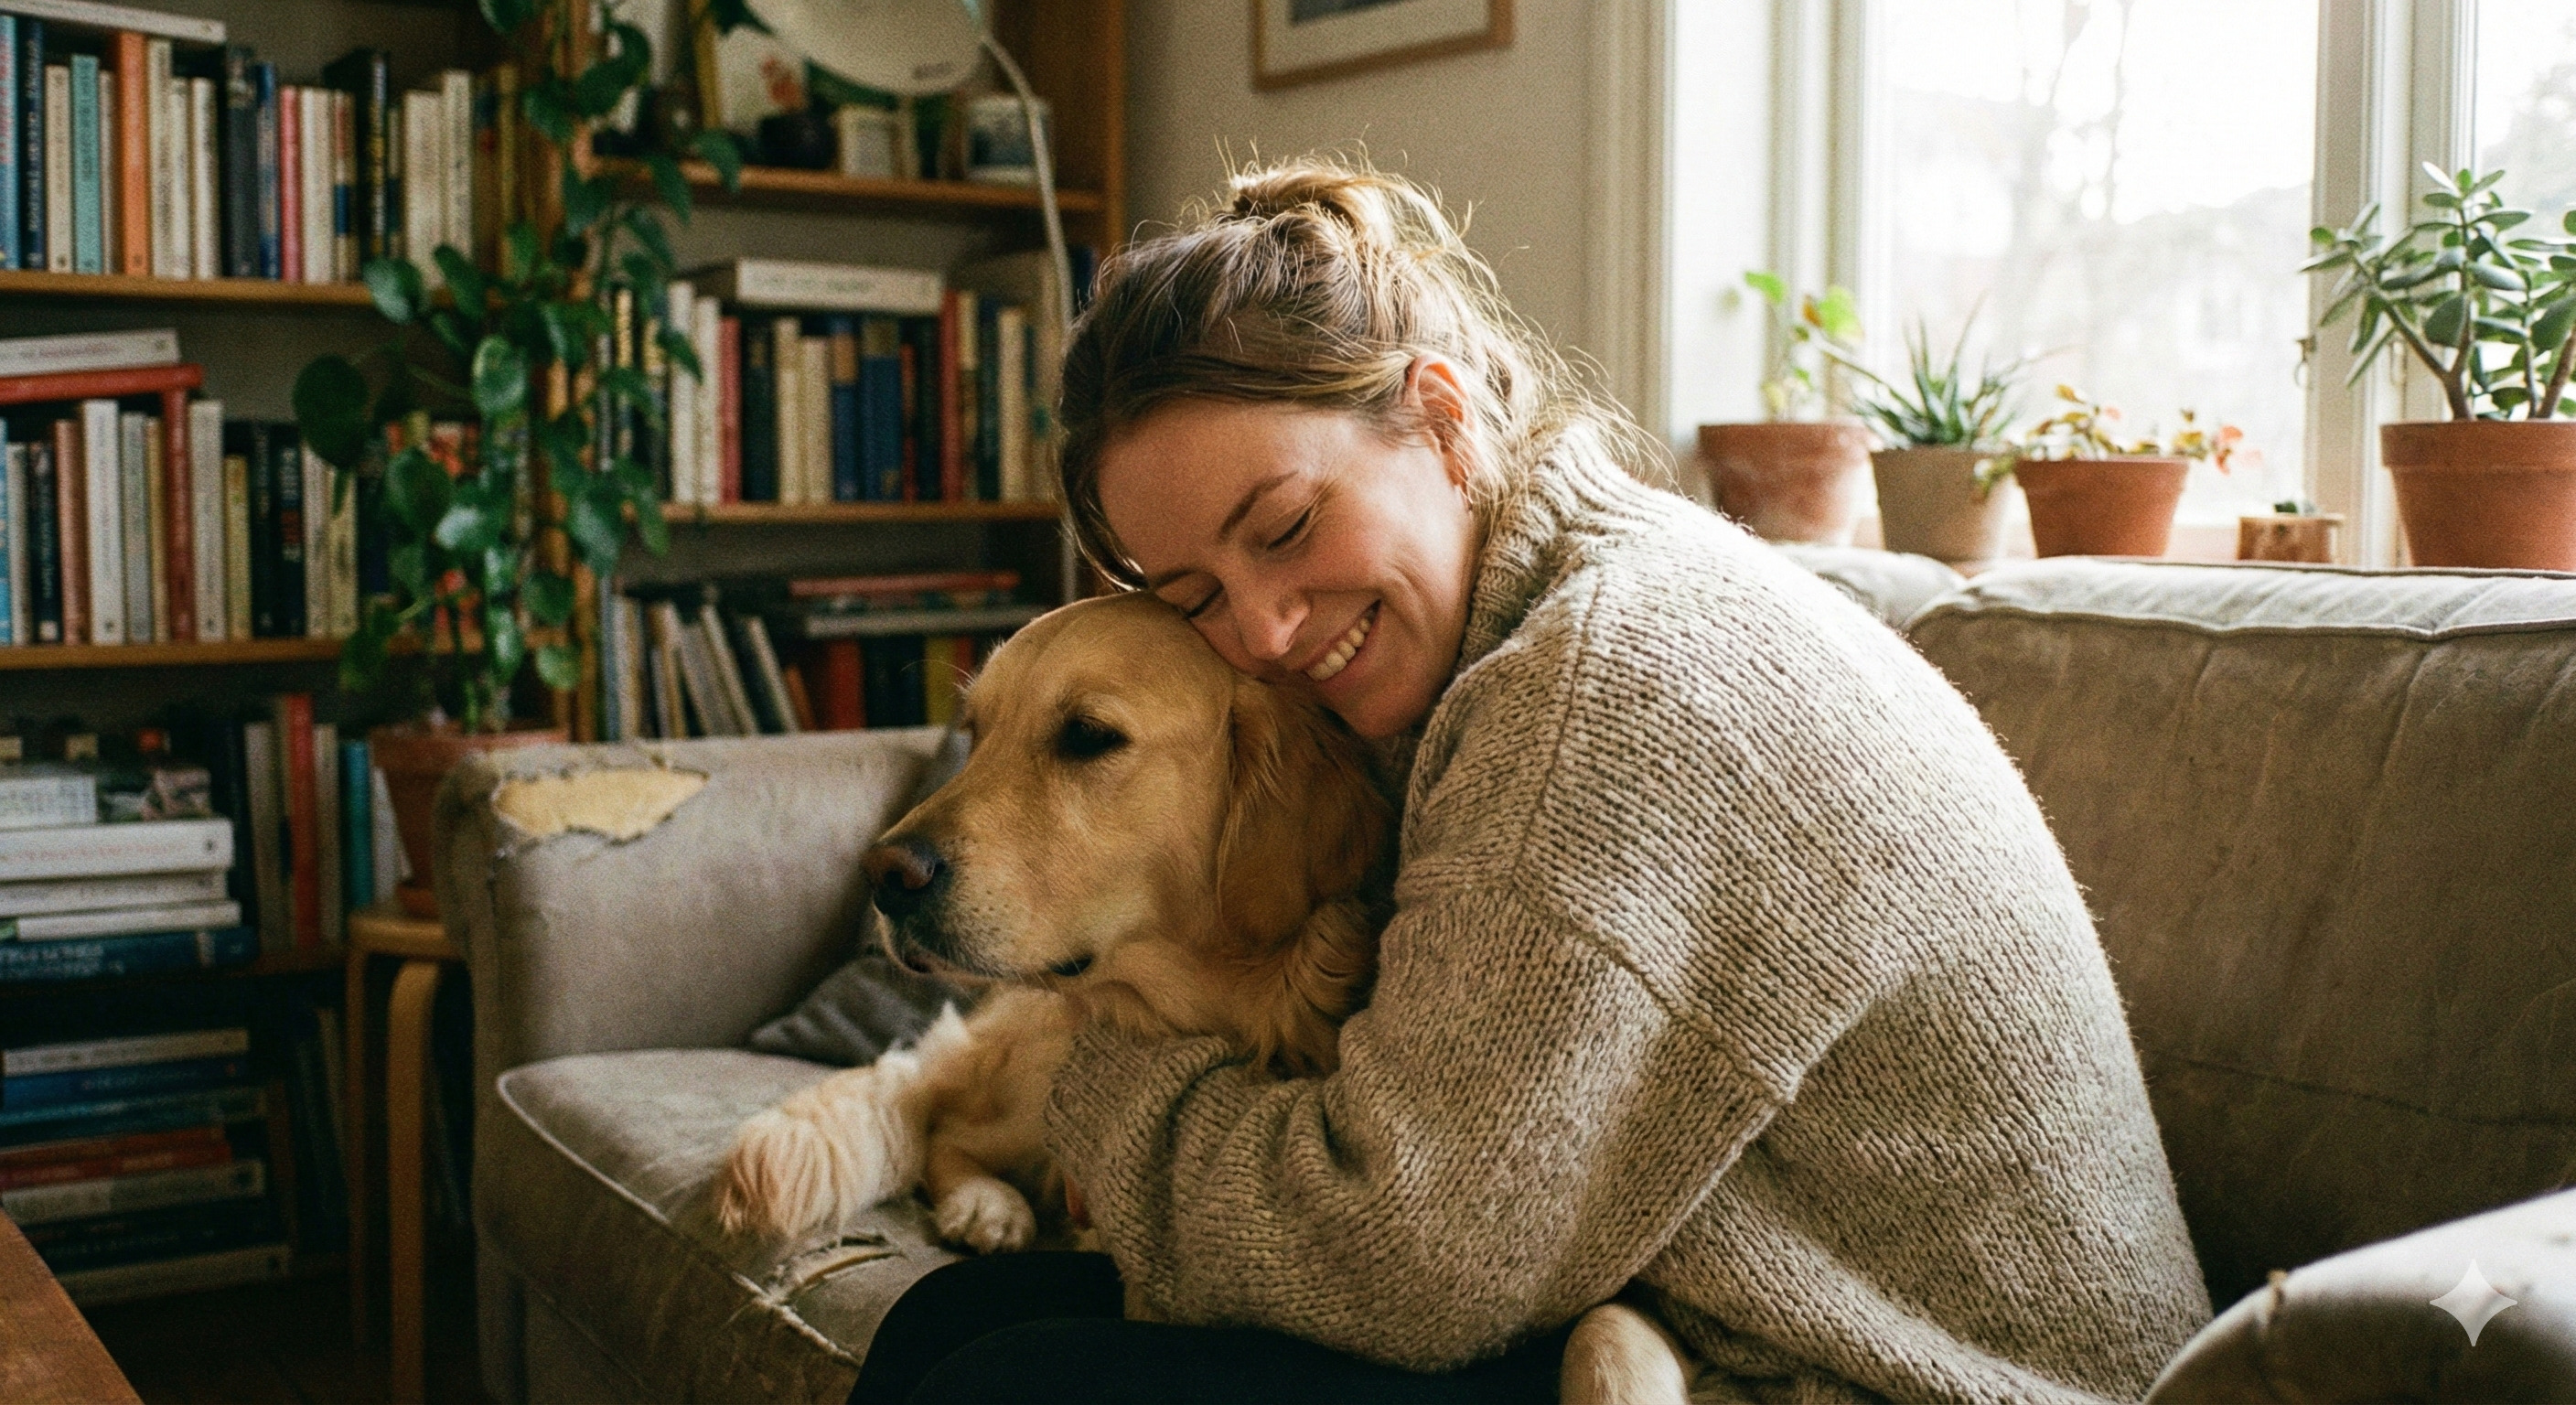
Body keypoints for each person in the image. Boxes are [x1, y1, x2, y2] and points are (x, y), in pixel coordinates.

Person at [849, 156, 2210, 1405]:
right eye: (1196, 593)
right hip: (1685, 1334)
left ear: (1441, 421)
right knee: (944, 1331)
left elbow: (1400, 1257)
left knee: (1005, 1389)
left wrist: (1086, 1087)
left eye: (1289, 525)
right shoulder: (1480, 647)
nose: (1262, 631)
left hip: (1905, 1384)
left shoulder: (1602, 695)